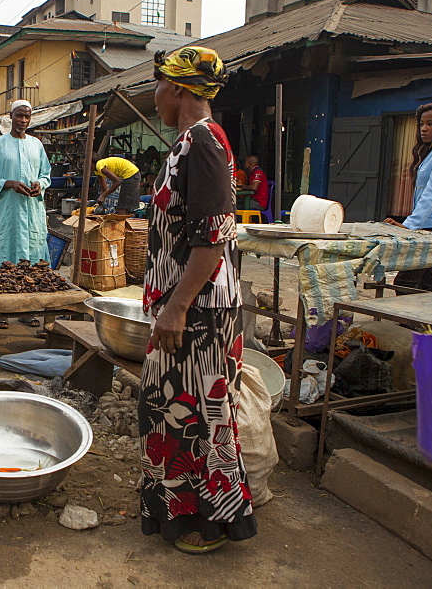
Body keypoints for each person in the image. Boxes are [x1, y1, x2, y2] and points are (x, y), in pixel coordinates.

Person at [142, 47, 255, 554]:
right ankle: (182, 514)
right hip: (188, 307)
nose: (156, 94)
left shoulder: (205, 144)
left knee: (200, 416)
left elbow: (212, 237)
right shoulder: (189, 143)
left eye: (161, 84)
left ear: (181, 89)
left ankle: (210, 524)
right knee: (169, 410)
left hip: (201, 312)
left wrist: (178, 305)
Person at [0, 99, 51, 330]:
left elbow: (46, 174)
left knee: (31, 260)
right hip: (7, 213)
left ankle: (27, 310)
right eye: (19, 115)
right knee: (5, 258)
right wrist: (8, 183)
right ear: (11, 116)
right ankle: (1, 311)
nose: (23, 120)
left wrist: (40, 184)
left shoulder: (36, 145)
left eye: (27, 116)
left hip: (32, 212)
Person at [384, 102, 432, 293]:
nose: (424, 129)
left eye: (430, 124)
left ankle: (409, 323)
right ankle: (429, 323)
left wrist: (410, 225)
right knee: (430, 284)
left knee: (405, 282)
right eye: (421, 124)